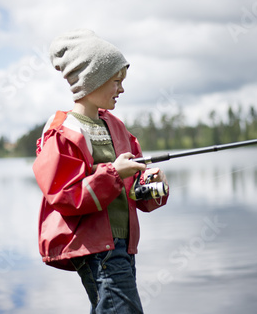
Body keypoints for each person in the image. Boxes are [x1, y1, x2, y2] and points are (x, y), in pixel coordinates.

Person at [32, 29, 169, 314]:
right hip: (98, 250)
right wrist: (114, 174)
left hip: (124, 246)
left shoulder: (117, 127)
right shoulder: (62, 133)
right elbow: (65, 196)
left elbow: (134, 185)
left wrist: (152, 184)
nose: (121, 89)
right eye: (115, 81)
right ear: (91, 80)